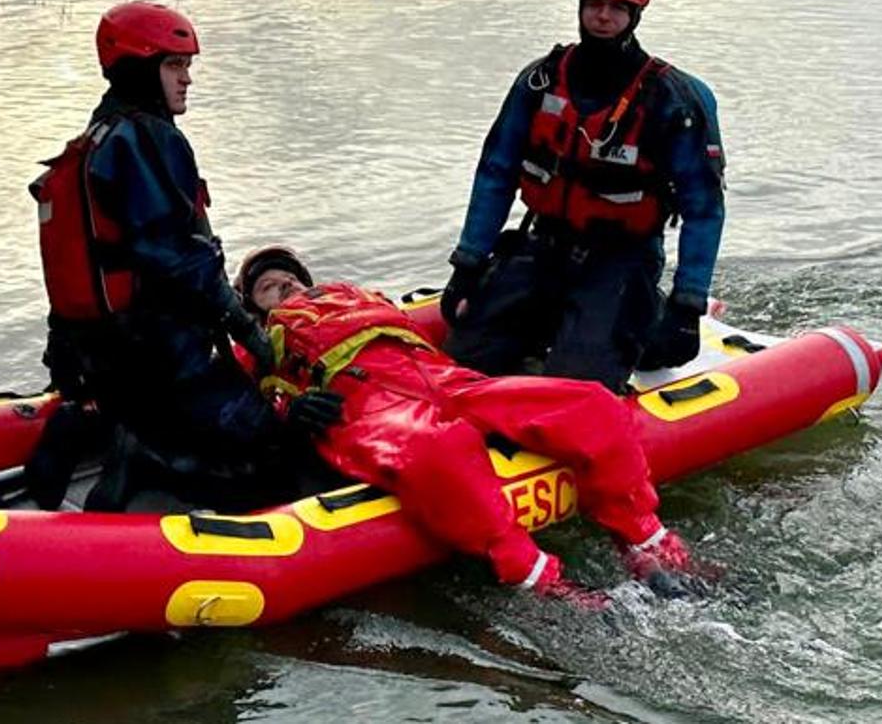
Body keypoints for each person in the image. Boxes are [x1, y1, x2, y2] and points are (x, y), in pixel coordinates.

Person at [237, 246, 708, 604]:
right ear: (253, 308)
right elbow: (243, 402)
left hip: (443, 376)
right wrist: (286, 409)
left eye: (289, 278)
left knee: (589, 404)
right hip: (368, 402)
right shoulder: (258, 340)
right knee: (440, 448)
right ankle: (542, 579)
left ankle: (642, 538)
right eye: (268, 287)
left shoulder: (353, 296)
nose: (285, 287)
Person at [27, 2, 303, 512]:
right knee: (280, 454)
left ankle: (101, 427)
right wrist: (250, 334)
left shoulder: (96, 137)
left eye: (188, 66)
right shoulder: (149, 139)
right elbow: (184, 261)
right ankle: (146, 463)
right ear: (140, 68)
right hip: (163, 360)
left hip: (110, 361)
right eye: (175, 66)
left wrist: (65, 368)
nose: (187, 79)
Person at [441, 0, 727, 392]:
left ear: (637, 12)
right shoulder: (538, 82)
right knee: (461, 365)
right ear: (579, 3)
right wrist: (468, 264)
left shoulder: (672, 101)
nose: (603, 17)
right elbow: (495, 172)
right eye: (594, 3)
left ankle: (644, 316)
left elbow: (704, 208)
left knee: (573, 390)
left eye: (617, 7)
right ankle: (559, 318)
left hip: (621, 260)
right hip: (543, 246)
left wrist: (688, 304)